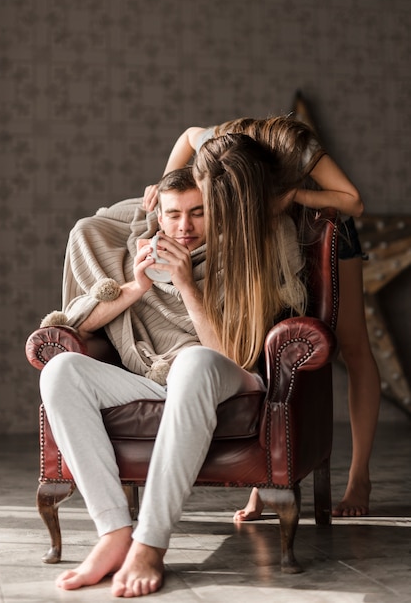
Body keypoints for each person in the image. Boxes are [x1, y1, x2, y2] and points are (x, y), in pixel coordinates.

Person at [39, 135, 307, 597]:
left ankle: (150, 543)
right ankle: (114, 533)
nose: (184, 227)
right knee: (59, 371)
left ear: (218, 210)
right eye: (173, 214)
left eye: (198, 212)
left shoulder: (249, 249)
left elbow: (231, 356)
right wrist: (136, 288)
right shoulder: (143, 249)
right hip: (158, 378)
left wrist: (186, 286)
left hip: (223, 374)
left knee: (194, 363)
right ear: (157, 216)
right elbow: (81, 322)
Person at [143, 117, 381, 519]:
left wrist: (292, 197)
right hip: (262, 228)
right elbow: (186, 136)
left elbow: (352, 200)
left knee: (354, 347)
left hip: (324, 229)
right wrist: (165, 185)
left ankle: (360, 476)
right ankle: (263, 482)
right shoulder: (214, 145)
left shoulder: (295, 146)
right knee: (265, 339)